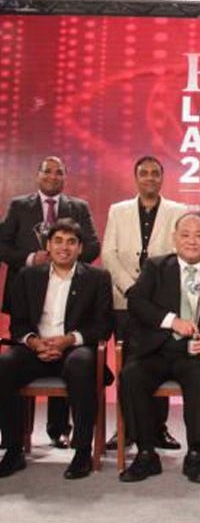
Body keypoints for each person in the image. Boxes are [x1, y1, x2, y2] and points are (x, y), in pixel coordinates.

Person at [119, 213, 200, 483]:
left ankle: (195, 454)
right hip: (157, 350)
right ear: (174, 238)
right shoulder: (156, 266)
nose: (191, 241)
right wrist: (172, 321)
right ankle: (146, 453)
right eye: (185, 235)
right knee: (131, 376)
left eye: (198, 235)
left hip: (196, 353)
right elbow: (136, 302)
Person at [0, 156, 101, 449]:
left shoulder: (78, 207)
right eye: (48, 171)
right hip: (27, 293)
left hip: (71, 297)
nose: (53, 177)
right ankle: (15, 439)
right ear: (38, 174)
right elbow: (3, 245)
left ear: (65, 177)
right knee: (14, 362)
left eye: (59, 173)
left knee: (71, 359)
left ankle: (59, 430)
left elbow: (93, 245)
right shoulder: (19, 206)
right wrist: (33, 259)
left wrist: (64, 259)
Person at [0, 219, 112, 479]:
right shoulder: (28, 276)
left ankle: (82, 451)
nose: (64, 247)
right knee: (4, 366)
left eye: (71, 242)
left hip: (74, 348)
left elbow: (103, 326)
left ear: (80, 248)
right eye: (58, 241)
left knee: (82, 365)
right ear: (48, 245)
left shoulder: (97, 278)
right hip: (36, 348)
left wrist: (68, 340)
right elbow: (18, 323)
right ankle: (13, 450)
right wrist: (34, 342)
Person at [102, 155, 186, 450]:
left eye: (155, 173)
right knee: (128, 367)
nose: (150, 178)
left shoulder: (178, 211)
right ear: (136, 178)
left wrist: (149, 295)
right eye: (144, 173)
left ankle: (158, 428)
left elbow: (179, 255)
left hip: (160, 305)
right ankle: (125, 428)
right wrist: (131, 289)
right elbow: (108, 253)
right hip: (124, 302)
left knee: (158, 362)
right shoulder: (118, 210)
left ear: (162, 178)